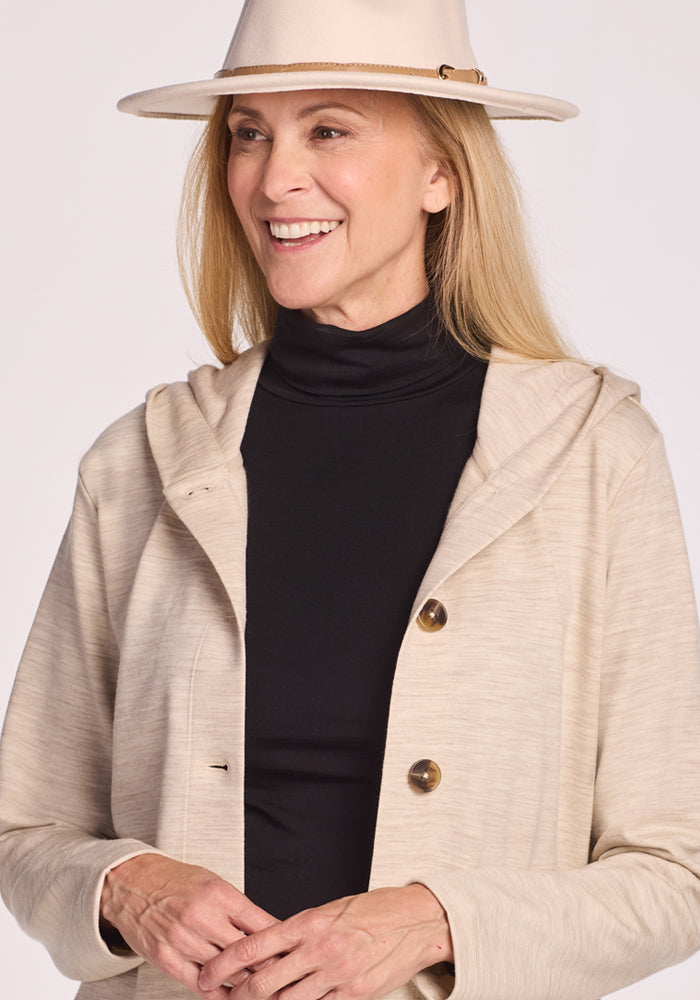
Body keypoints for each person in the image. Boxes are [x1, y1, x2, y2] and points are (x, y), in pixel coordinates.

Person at [1, 1, 699, 999]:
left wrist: (430, 923)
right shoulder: (142, 462)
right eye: (248, 133)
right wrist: (127, 883)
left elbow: (676, 873)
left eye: (328, 128)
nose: (274, 177)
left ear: (441, 172)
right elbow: (25, 828)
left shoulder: (592, 457)